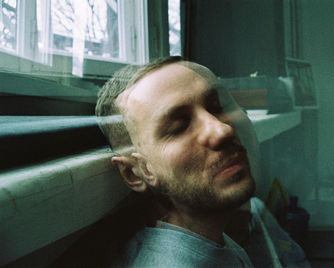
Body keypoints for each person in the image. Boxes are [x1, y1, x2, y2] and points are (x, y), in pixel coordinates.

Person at [95, 56, 309, 267]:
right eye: (178, 127)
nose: (222, 130)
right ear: (136, 173)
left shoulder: (226, 232)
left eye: (216, 106)